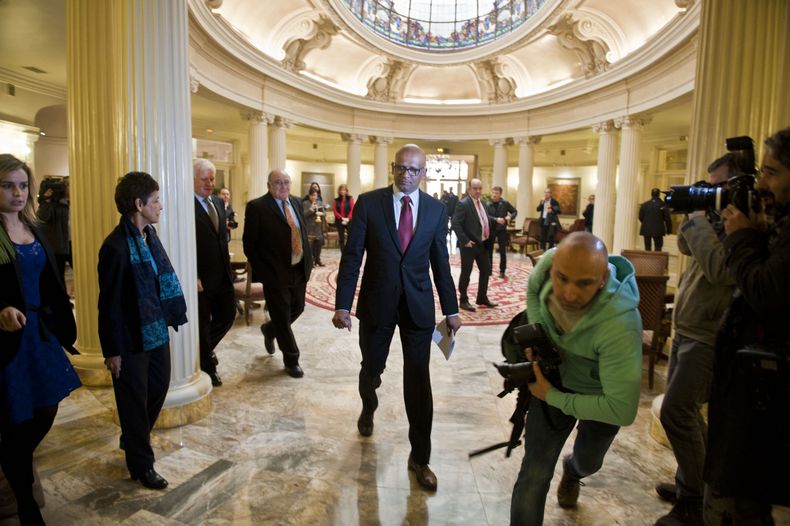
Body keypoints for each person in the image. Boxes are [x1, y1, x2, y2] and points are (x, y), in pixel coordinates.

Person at [332, 144, 461, 491]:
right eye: (401, 168)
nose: (406, 175)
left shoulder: (435, 210)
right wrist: (343, 304)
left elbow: (440, 264)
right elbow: (352, 256)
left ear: (424, 173)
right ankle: (368, 404)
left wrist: (451, 309)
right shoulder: (369, 203)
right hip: (377, 304)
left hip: (418, 307)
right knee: (371, 367)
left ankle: (421, 457)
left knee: (418, 381)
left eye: (414, 170)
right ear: (393, 169)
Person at [510, 232, 642, 526]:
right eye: (562, 278)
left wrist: (553, 397)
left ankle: (573, 471)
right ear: (554, 267)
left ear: (603, 280)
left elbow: (622, 409)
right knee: (534, 473)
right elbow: (533, 290)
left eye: (584, 283)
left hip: (598, 396)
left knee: (589, 461)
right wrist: (539, 330)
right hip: (552, 382)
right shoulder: (548, 264)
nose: (569, 293)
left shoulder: (621, 325)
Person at [707, 128, 790, 523]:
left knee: (747, 503)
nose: (761, 184)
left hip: (771, 386)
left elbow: (768, 293)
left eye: (771, 173)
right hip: (759, 382)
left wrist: (740, 237)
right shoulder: (780, 225)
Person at [652, 154, 736, 526]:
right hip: (690, 323)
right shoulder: (719, 220)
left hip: (708, 331)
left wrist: (703, 220)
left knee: (677, 411)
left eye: (715, 186)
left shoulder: (746, 224)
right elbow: (690, 249)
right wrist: (701, 218)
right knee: (683, 411)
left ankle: (694, 500)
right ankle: (693, 480)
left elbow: (720, 270)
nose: (708, 192)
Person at [0, 154, 81, 524]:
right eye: (7, 185)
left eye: (22, 185)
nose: (17, 193)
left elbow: (49, 281)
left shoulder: (35, 226)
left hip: (40, 333)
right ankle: (27, 506)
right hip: (8, 342)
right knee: (17, 419)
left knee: (46, 409)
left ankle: (12, 458)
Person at [98, 171, 187, 491]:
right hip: (129, 338)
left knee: (158, 387)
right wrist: (112, 351)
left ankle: (132, 438)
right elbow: (108, 305)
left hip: (155, 331)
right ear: (139, 204)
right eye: (156, 200)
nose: (161, 206)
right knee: (133, 401)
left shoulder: (151, 237)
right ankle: (141, 463)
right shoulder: (115, 247)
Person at [243, 170, 312, 378]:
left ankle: (270, 330)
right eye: (278, 183)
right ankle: (292, 359)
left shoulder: (297, 202)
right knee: (282, 315)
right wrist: (263, 271)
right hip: (274, 273)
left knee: (297, 308)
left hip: (298, 268)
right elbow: (250, 244)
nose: (283, 186)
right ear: (269, 185)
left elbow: (301, 232)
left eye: (286, 182)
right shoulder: (257, 207)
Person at [193, 159, 235, 387]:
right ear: (192, 180)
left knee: (227, 316)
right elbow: (185, 244)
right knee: (202, 322)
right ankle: (208, 366)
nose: (210, 183)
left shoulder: (219, 202)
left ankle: (203, 351)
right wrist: (193, 274)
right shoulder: (185, 205)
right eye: (204, 179)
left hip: (223, 275)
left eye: (212, 179)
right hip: (200, 278)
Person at [452, 178, 498, 312]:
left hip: (482, 244)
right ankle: (463, 300)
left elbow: (484, 219)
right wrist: (465, 240)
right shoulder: (463, 204)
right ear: (469, 189)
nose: (478, 191)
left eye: (480, 188)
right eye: (475, 188)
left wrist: (495, 221)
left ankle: (482, 298)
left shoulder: (482, 202)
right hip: (469, 245)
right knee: (466, 272)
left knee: (485, 270)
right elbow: (456, 223)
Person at [36, 177, 71, 284]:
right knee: (58, 279)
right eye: (68, 185)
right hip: (58, 248)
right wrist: (46, 200)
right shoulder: (53, 205)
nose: (68, 188)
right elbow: (42, 217)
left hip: (75, 245)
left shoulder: (77, 202)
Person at [486, 185, 518, 279]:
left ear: (500, 194)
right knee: (489, 251)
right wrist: (496, 219)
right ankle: (489, 270)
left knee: (503, 252)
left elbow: (515, 211)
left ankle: (502, 271)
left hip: (502, 230)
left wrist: (510, 217)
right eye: (493, 193)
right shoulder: (487, 204)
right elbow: (486, 216)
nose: (494, 195)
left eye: (497, 193)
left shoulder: (505, 203)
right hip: (491, 229)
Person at [303, 188, 325, 267]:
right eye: (311, 195)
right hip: (309, 227)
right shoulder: (305, 203)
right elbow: (303, 215)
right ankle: (311, 261)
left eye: (315, 195)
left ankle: (317, 260)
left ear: (317, 195)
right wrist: (311, 209)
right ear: (309, 196)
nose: (313, 197)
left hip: (317, 227)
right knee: (310, 246)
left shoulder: (319, 202)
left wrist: (322, 213)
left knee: (318, 244)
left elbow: (324, 212)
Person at [333, 184, 354, 251]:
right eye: (341, 190)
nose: (342, 191)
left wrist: (348, 218)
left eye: (344, 190)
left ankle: (349, 249)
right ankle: (342, 251)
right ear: (339, 191)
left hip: (349, 220)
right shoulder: (336, 200)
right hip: (339, 221)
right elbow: (335, 211)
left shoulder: (350, 198)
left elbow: (352, 209)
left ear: (346, 191)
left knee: (350, 236)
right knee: (341, 237)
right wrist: (342, 218)